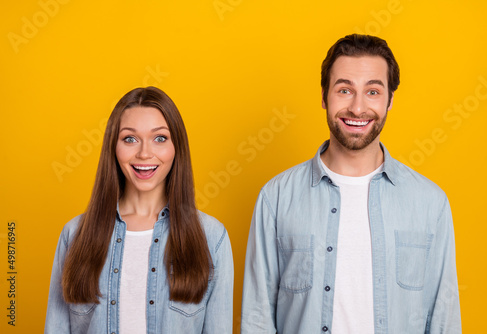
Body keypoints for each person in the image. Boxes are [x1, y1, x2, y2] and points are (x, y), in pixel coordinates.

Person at [241, 34, 461, 333]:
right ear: (323, 96)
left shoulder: (430, 203)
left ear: (390, 100)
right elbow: (257, 316)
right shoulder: (276, 198)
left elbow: (443, 317)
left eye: (372, 91)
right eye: (345, 90)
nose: (357, 108)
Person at [45, 87, 233, 333]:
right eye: (130, 139)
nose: (144, 153)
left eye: (160, 138)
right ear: (114, 147)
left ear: (177, 148)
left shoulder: (212, 237)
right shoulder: (74, 235)